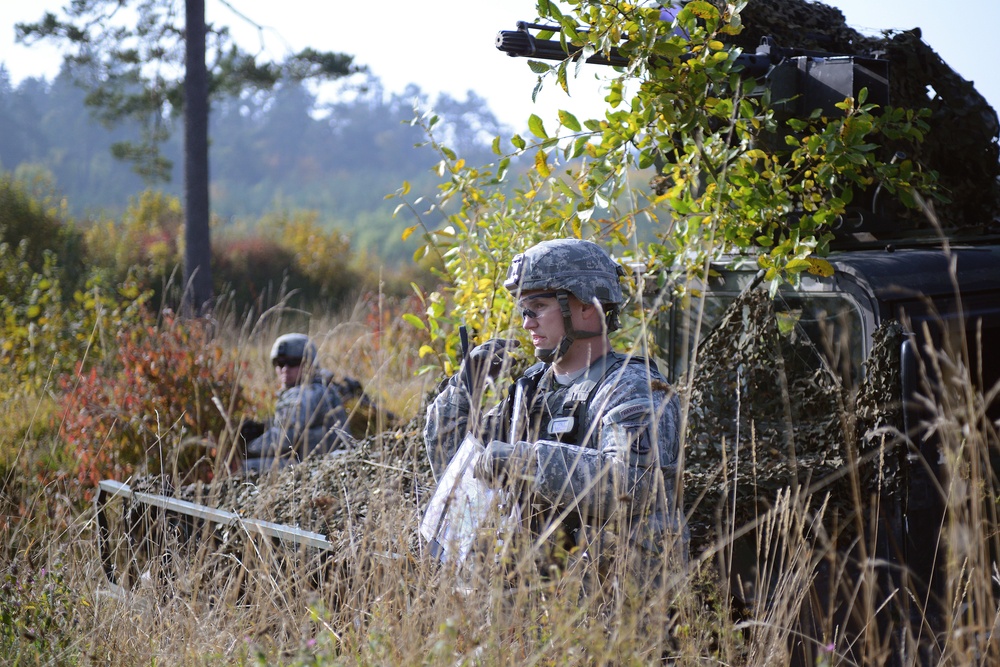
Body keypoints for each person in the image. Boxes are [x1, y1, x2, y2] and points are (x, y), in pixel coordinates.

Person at [423, 238, 685, 586]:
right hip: (531, 595)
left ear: (587, 307)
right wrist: (464, 387)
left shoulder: (633, 386)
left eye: (538, 307)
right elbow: (453, 466)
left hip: (610, 607)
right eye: (522, 311)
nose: (527, 323)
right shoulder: (532, 388)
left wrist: (525, 462)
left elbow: (634, 485)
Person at [240, 333, 351, 472]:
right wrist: (264, 428)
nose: (285, 369)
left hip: (317, 468)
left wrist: (247, 446)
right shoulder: (318, 387)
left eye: (293, 363)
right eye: (280, 363)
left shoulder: (304, 393)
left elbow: (285, 439)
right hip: (320, 463)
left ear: (309, 364)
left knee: (239, 469)